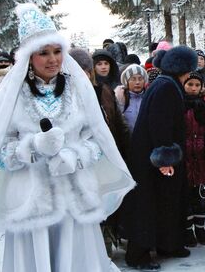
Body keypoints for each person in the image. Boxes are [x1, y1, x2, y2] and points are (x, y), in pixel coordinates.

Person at [0, 3, 135, 271]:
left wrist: (73, 157)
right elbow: (0, 152)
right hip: (31, 203)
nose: (53, 59)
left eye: (57, 51)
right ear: (29, 57)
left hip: (74, 201)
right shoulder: (12, 94)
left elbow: (97, 141)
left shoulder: (77, 90)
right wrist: (32, 148)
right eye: (44, 53)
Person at [121, 46, 197, 270]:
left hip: (152, 155)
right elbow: (160, 124)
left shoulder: (165, 83)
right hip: (152, 159)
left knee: (167, 201)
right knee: (149, 204)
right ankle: (138, 255)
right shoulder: (166, 87)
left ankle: (168, 244)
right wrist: (165, 159)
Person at [70, 47, 131, 256]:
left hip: (107, 153)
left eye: (86, 70)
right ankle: (96, 249)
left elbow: (117, 121)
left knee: (108, 198)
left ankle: (108, 240)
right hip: (83, 160)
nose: (83, 74)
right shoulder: (68, 97)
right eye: (78, 70)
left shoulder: (104, 90)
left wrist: (125, 147)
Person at [181, 71, 205, 247]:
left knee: (200, 194)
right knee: (186, 195)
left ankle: (200, 228)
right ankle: (188, 231)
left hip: (201, 156)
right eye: (190, 85)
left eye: (197, 85)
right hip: (185, 156)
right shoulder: (179, 104)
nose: (194, 88)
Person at [115, 64, 149, 133]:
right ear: (127, 82)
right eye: (133, 79)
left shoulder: (149, 98)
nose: (137, 82)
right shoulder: (120, 99)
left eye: (140, 79)